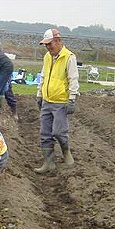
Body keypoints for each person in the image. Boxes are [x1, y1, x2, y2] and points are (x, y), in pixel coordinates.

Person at [35, 28, 79, 174]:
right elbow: (43, 75)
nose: (48, 47)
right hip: (47, 100)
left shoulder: (69, 57)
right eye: (46, 45)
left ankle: (66, 152)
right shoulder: (47, 57)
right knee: (45, 133)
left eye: (50, 44)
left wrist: (72, 99)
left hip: (60, 101)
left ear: (58, 41)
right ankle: (49, 163)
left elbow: (73, 79)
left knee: (59, 132)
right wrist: (39, 94)